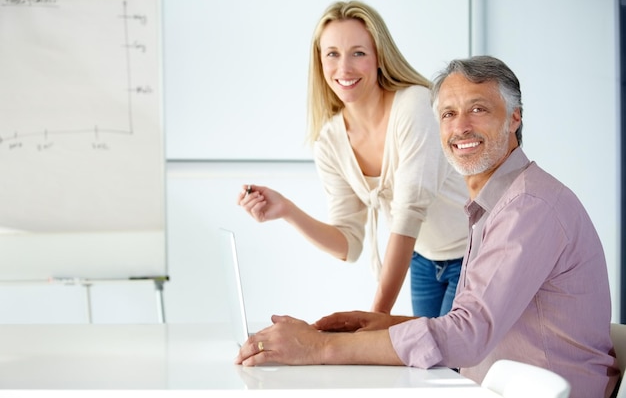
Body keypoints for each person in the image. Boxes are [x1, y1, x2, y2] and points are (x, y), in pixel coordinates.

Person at [235, 55, 621, 398]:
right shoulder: (497, 203)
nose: (461, 127)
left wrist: (317, 348)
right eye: (448, 114)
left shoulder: (527, 208)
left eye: (479, 110)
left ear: (515, 117)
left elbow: (468, 335)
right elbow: (490, 322)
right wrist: (384, 326)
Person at [237, 0, 468, 317]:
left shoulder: (415, 105)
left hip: (473, 252)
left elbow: (408, 214)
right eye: (332, 54)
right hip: (422, 257)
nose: (343, 68)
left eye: (358, 53)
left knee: (448, 360)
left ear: (378, 57)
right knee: (432, 364)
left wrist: (374, 318)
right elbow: (349, 244)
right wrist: (287, 211)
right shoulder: (330, 140)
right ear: (319, 62)